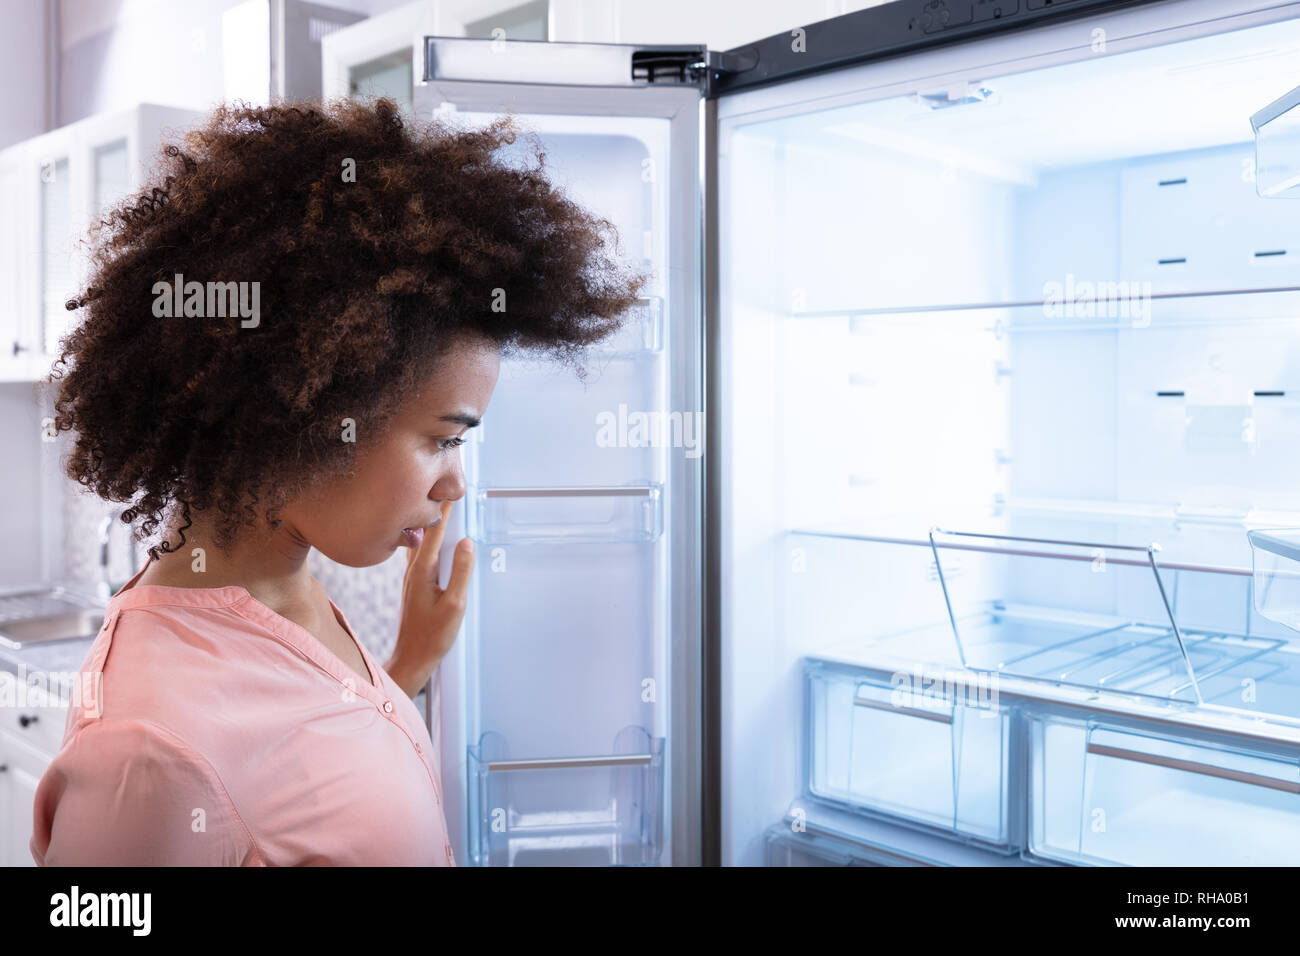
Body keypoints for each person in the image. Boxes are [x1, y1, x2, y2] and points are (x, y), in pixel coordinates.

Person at [29, 96, 648, 866]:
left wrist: (406, 669)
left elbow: (296, 779)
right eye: (442, 440)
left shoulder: (285, 587)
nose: (454, 484)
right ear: (305, 416)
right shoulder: (152, 750)